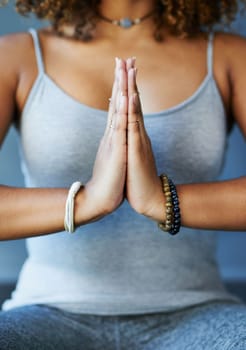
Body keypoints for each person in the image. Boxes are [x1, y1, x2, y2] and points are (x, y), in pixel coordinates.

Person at [0, 0, 246, 349]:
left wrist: (162, 201)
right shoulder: (17, 55)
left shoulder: (228, 55)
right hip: (45, 313)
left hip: (196, 312)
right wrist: (87, 201)